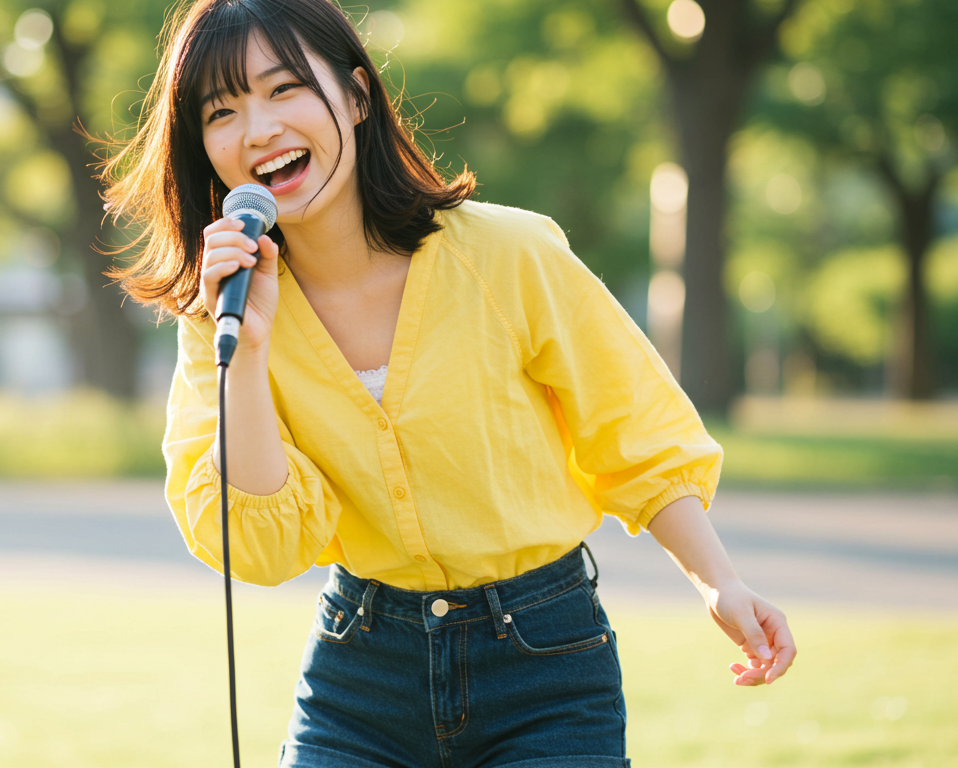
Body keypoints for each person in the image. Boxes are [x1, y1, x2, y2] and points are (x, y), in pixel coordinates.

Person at [100, 0, 797, 765]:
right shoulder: (222, 313)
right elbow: (260, 548)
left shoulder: (509, 253)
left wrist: (718, 582)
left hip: (547, 665)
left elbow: (635, 432)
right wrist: (255, 351)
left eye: (284, 88)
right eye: (221, 110)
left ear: (357, 97)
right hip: (359, 676)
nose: (259, 128)